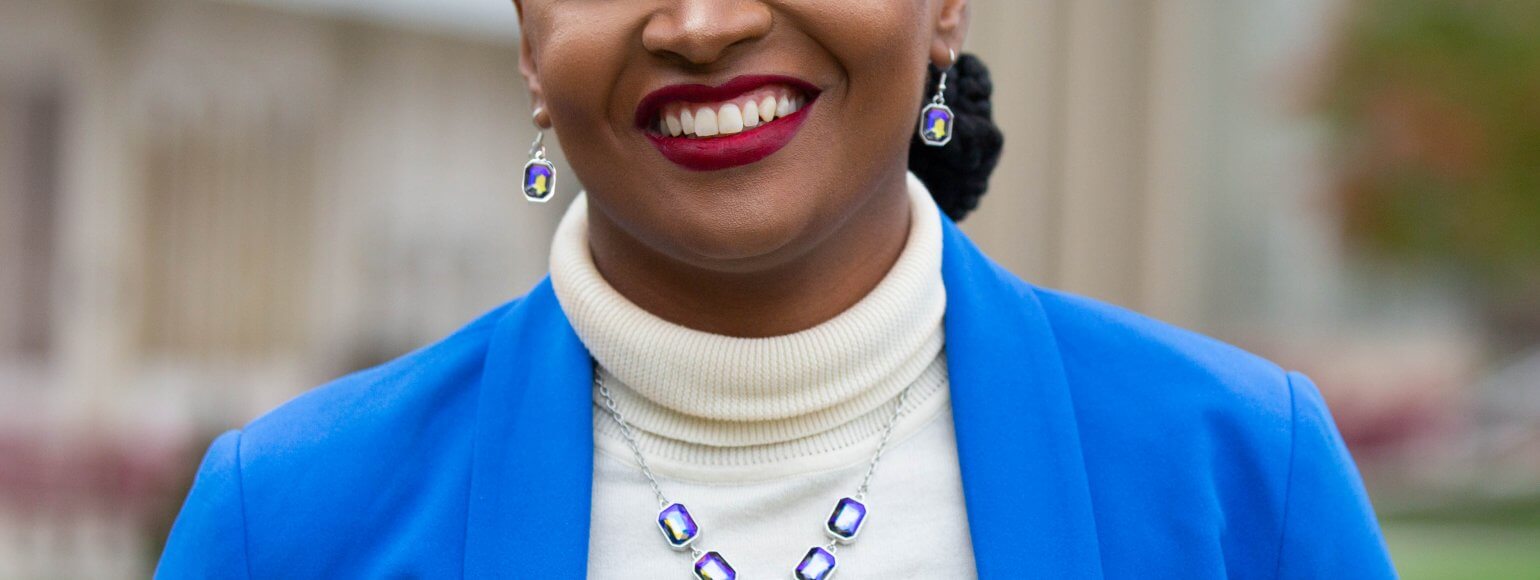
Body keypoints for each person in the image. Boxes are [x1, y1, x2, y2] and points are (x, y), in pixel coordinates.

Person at [157, 1, 1397, 578]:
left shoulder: (1239, 477)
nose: (701, 24)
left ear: (944, 6)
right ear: (530, 42)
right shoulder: (290, 522)